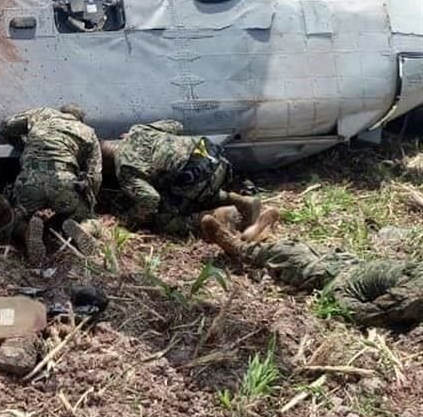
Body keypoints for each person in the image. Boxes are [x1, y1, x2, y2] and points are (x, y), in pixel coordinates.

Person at [201, 208, 423, 327]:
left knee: (290, 255)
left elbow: (375, 313)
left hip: (339, 278)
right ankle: (265, 235)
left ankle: (237, 246)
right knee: (301, 247)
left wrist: (341, 297)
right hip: (351, 263)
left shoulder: (415, 295)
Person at [105, 119, 259, 236]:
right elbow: (177, 125)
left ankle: (220, 217)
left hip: (195, 176)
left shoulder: (125, 169)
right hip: (211, 156)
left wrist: (129, 220)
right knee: (191, 189)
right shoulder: (138, 129)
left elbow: (150, 199)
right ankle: (242, 201)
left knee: (163, 220)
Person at [0, 105, 103, 264]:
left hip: (30, 180)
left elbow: (5, 126)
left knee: (14, 215)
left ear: (61, 112)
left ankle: (26, 232)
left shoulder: (42, 113)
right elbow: (94, 175)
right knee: (89, 218)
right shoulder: (88, 132)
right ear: (80, 119)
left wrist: (22, 146)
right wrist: (89, 201)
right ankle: (82, 228)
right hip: (64, 182)